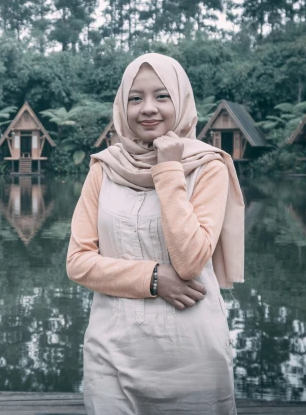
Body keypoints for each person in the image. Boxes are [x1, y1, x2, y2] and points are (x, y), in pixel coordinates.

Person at [66, 53, 245, 414]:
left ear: (180, 101)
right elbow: (78, 263)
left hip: (191, 357)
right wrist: (152, 278)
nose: (148, 108)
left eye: (161, 96)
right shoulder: (104, 168)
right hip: (111, 353)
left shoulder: (209, 167)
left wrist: (169, 170)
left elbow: (191, 260)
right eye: (136, 98)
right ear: (122, 106)